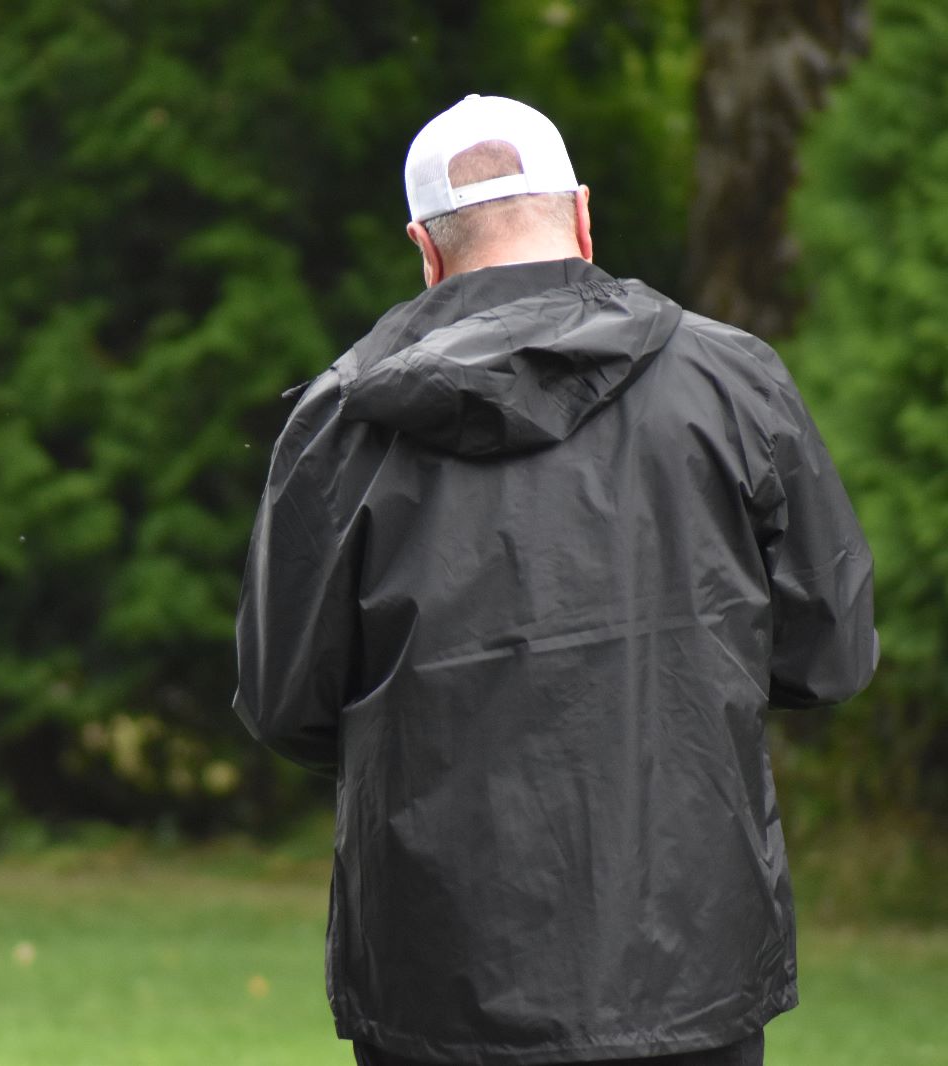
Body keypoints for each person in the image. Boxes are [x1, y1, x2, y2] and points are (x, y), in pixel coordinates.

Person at [233, 95, 877, 1066]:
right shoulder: (733, 382)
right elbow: (828, 651)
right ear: (579, 213)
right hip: (685, 954)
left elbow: (287, 703)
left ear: (426, 247)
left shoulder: (339, 423)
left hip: (440, 970)